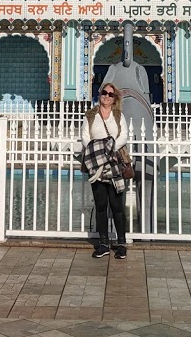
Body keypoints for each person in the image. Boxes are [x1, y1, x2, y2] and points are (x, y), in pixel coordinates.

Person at [79, 81, 128, 259]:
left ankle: (121, 243)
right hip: (96, 164)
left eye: (110, 94)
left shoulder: (118, 115)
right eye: (104, 93)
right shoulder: (91, 115)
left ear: (115, 99)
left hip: (114, 162)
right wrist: (97, 151)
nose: (106, 96)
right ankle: (103, 243)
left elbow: (124, 135)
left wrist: (111, 148)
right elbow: (85, 136)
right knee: (101, 205)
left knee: (116, 205)